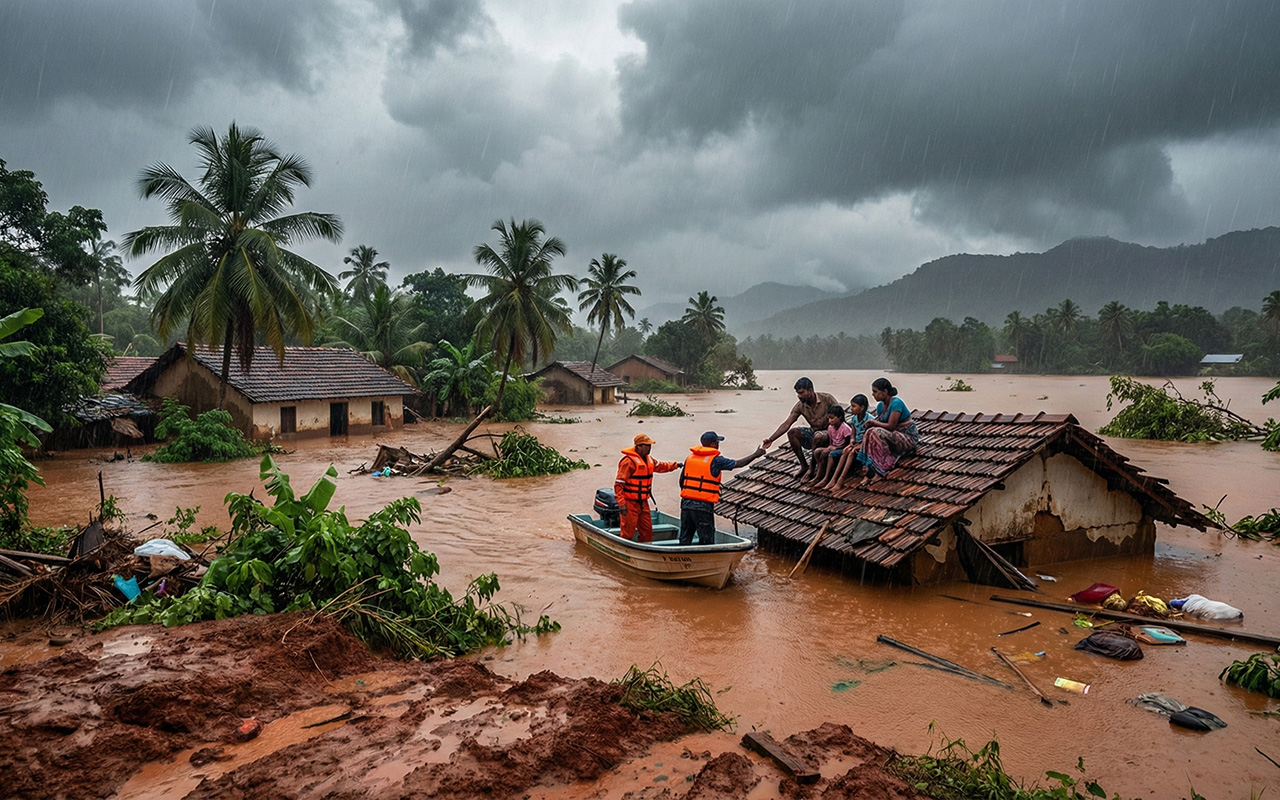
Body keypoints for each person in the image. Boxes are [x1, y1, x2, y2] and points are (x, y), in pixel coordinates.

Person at [679, 431, 765, 546]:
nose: (718, 444)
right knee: (706, 540)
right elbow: (738, 463)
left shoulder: (689, 458)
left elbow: (681, 481)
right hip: (703, 506)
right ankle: (705, 562)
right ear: (713, 444)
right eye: (717, 442)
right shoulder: (716, 460)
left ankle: (682, 560)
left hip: (686, 503)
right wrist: (756, 454)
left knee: (685, 537)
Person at [762, 377, 840, 480]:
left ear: (810, 391)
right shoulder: (800, 406)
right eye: (798, 393)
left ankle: (812, 469)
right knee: (792, 433)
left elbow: (841, 418)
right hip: (814, 433)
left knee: (818, 436)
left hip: (830, 435)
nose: (799, 396)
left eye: (801, 393)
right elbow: (787, 424)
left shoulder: (827, 399)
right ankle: (804, 465)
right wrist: (771, 439)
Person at [614, 433, 679, 543]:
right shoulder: (628, 462)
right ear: (638, 446)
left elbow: (662, 466)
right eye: (647, 446)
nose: (650, 448)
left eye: (650, 446)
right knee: (628, 531)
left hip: (643, 502)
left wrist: (676, 465)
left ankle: (645, 549)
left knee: (647, 530)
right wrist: (621, 503)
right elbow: (618, 485)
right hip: (630, 503)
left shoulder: (650, 460)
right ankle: (625, 551)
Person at [860, 377, 919, 482]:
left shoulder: (896, 403)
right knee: (869, 432)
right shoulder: (880, 406)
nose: (873, 394)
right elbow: (882, 424)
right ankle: (869, 469)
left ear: (885, 392)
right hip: (893, 436)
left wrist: (873, 422)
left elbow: (891, 426)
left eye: (875, 392)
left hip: (907, 436)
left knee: (875, 431)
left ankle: (881, 469)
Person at [821, 394, 872, 491]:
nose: (851, 409)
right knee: (845, 451)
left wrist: (859, 445)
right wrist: (852, 441)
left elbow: (869, 437)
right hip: (856, 443)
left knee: (851, 453)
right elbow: (853, 433)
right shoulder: (854, 419)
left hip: (865, 444)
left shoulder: (869, 419)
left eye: (854, 406)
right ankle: (833, 479)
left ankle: (841, 480)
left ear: (862, 408)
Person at [805, 405, 852, 486]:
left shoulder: (845, 428)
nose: (829, 420)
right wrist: (829, 447)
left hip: (841, 448)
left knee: (825, 453)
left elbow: (847, 444)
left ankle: (825, 477)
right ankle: (819, 473)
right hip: (833, 446)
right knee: (816, 451)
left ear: (839, 418)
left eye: (832, 418)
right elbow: (831, 440)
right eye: (829, 418)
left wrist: (835, 448)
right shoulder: (830, 427)